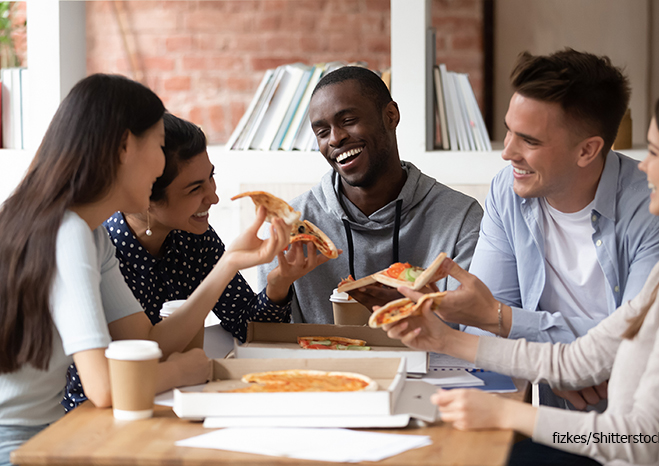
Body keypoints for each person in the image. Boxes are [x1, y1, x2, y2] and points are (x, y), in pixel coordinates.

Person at [384, 83, 659, 466]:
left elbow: (642, 440)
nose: (644, 165)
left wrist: (506, 414)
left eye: (654, 152)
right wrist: (445, 339)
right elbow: (575, 361)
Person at [0, 74, 290, 465]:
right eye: (157, 144)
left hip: (50, 433)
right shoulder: (68, 233)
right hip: (23, 444)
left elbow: (147, 339)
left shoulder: (86, 234)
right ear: (124, 147)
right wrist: (178, 371)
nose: (160, 163)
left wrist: (231, 262)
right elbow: (102, 387)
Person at [436, 49, 659, 408]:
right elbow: (479, 327)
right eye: (509, 131)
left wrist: (507, 324)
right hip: (556, 417)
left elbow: (635, 343)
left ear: (587, 151)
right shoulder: (508, 191)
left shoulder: (657, 207)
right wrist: (557, 369)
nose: (508, 152)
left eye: (529, 141)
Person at [62, 112, 323, 411]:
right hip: (100, 412)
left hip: (177, 399)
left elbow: (245, 327)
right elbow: (119, 371)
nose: (213, 197)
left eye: (211, 177)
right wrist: (181, 370)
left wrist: (278, 285)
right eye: (194, 188)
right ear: (144, 195)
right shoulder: (100, 246)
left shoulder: (193, 237)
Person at [257, 66, 484, 324]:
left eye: (348, 121)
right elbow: (267, 342)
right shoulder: (293, 228)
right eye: (322, 132)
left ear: (390, 115)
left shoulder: (461, 217)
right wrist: (277, 291)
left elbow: (475, 327)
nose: (335, 139)